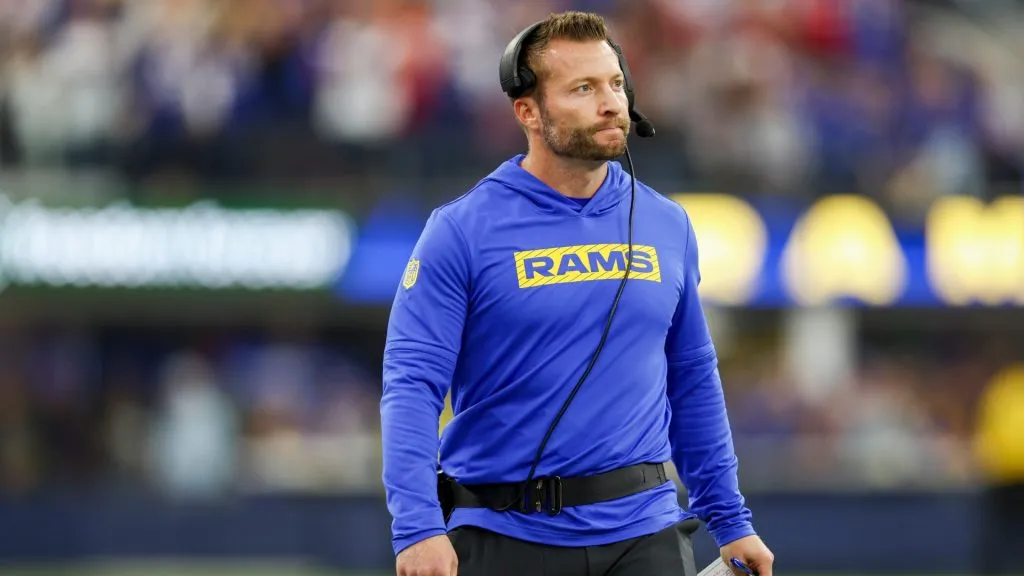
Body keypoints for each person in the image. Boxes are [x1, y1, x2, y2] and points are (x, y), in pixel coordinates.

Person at [380, 11, 774, 576]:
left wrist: (731, 521)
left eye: (615, 83)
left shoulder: (666, 224)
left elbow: (691, 377)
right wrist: (417, 527)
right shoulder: (461, 231)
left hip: (645, 533)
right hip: (503, 533)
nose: (611, 103)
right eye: (583, 89)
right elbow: (411, 385)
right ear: (528, 112)